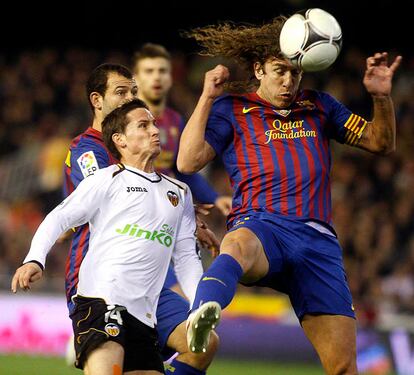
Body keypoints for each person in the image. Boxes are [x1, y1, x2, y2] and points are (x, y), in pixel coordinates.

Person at [177, 16, 402, 375]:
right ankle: (201, 317)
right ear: (259, 70)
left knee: (344, 367)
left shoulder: (321, 105)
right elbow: (187, 161)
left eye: (295, 73)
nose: (288, 80)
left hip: (318, 244)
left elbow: (381, 142)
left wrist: (380, 97)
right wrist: (207, 96)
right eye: (279, 71)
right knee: (236, 245)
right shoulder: (233, 108)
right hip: (263, 227)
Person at [11, 98, 204, 374]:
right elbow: (59, 217)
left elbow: (186, 257)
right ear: (120, 140)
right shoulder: (108, 179)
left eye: (154, 124)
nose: (154, 130)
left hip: (145, 317)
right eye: (143, 125)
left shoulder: (180, 192)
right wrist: (35, 260)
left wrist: (197, 306)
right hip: (102, 302)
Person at [63, 63, 218, 375]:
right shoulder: (87, 150)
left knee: (203, 344)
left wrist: (184, 218)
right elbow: (113, 202)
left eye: (133, 91)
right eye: (121, 92)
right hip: (101, 284)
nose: (130, 97)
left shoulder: (140, 157)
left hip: (148, 285)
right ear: (97, 100)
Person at [132, 42, 231, 299]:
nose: (156, 77)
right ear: (136, 77)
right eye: (149, 70)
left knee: (181, 293)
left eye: (162, 71)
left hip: (168, 213)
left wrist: (213, 197)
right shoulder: (125, 121)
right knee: (178, 296)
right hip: (137, 218)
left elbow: (183, 169)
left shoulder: (175, 121)